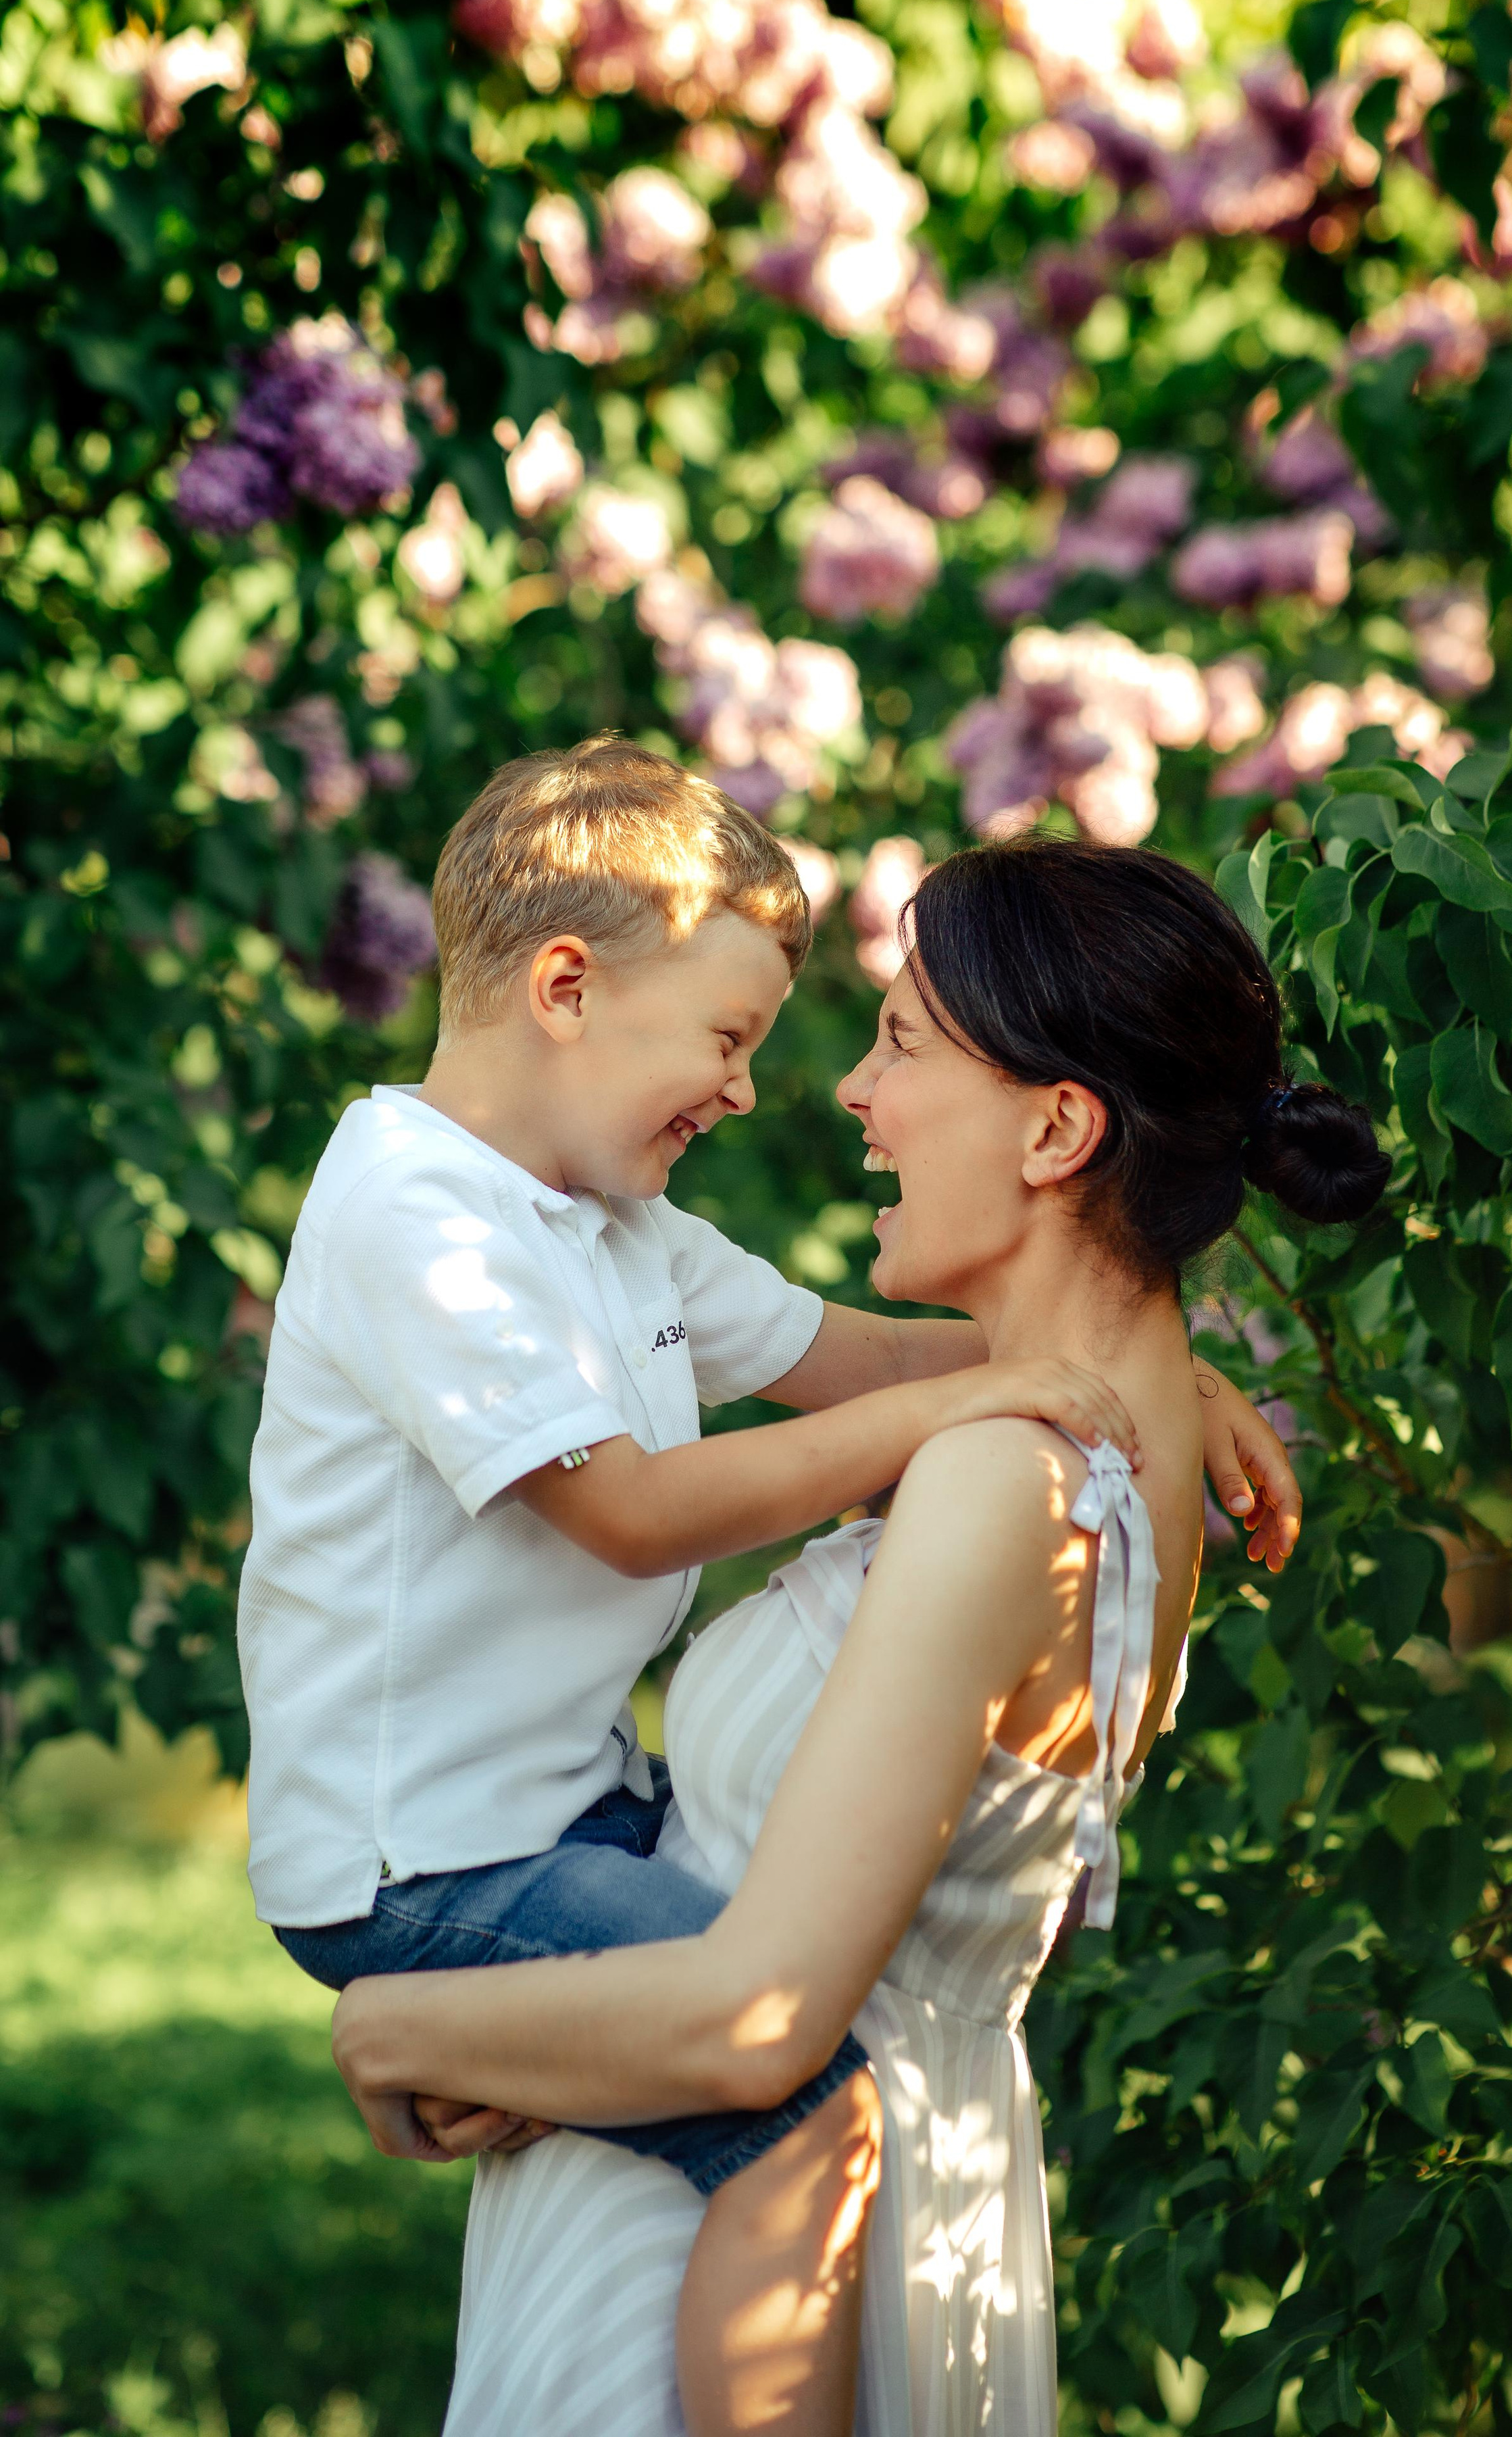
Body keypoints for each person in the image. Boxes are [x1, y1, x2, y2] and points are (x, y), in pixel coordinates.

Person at [240, 745, 1296, 2434]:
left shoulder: (626, 1236)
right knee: (804, 2131)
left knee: (804, 2128)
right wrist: (1013, 1385)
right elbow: (644, 1510)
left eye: (890, 1041)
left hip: (592, 1917)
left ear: (1054, 1127)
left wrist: (1149, 1377)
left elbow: (847, 1349)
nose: (784, 1093)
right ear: (566, 988)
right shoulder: (420, 1220)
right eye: (733, 1040)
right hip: (418, 1848)